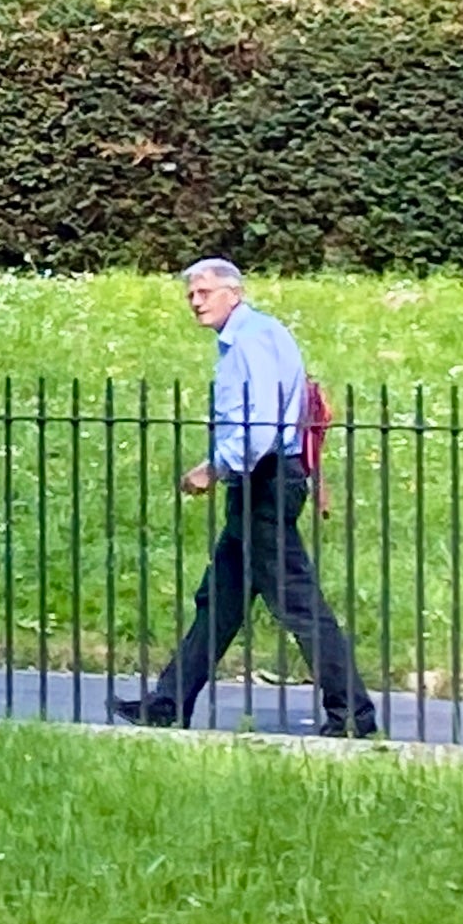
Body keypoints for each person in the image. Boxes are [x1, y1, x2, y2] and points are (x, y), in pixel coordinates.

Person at [126, 258, 381, 738]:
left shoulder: (249, 341)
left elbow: (259, 425)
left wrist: (215, 467)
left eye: (204, 292)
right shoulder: (260, 334)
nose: (196, 302)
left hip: (263, 480)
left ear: (234, 293)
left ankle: (352, 714)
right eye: (191, 295)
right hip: (263, 480)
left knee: (298, 601)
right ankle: (168, 703)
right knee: (220, 599)